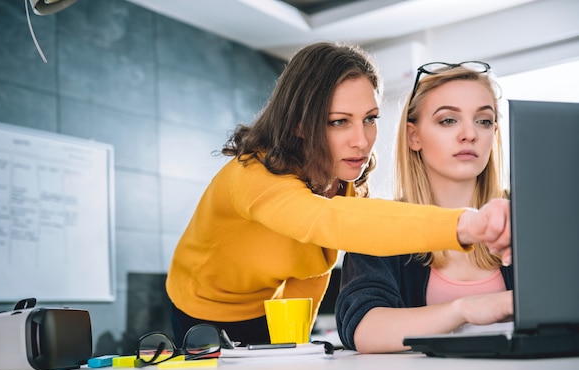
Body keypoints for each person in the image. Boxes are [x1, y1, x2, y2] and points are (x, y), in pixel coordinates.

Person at [166, 44, 512, 346]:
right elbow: (328, 222)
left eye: (370, 118)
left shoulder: (341, 175)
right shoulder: (253, 177)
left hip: (274, 306)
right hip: (204, 312)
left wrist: (296, 341)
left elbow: (313, 268)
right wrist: (467, 224)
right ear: (299, 124)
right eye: (338, 122)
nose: (361, 141)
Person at [335, 61, 514, 354]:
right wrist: (464, 310)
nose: (469, 134)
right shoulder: (379, 225)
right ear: (413, 136)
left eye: (483, 121)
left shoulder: (528, 217)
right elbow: (363, 329)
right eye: (448, 120)